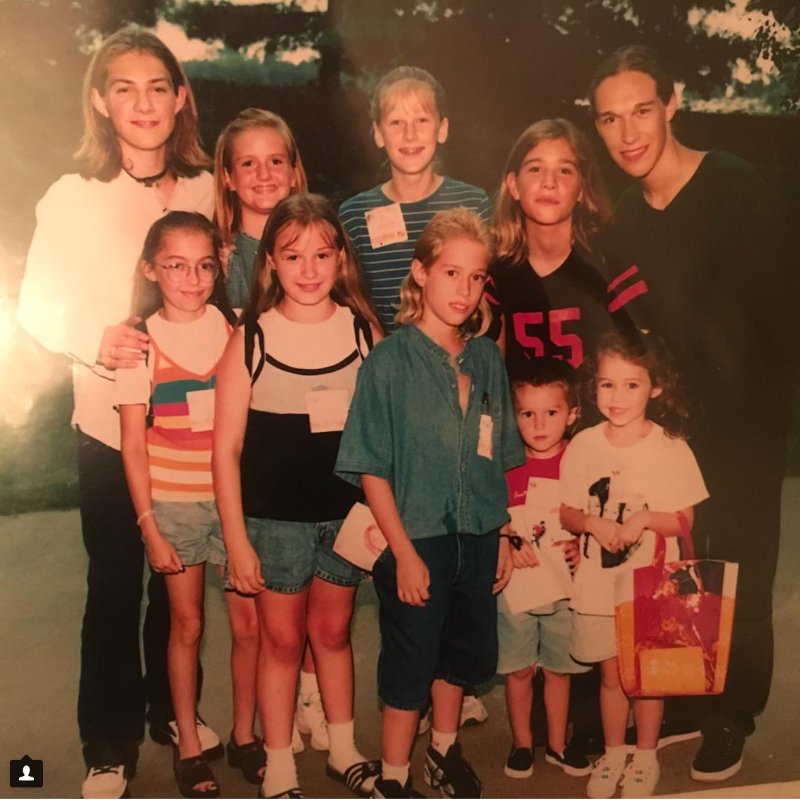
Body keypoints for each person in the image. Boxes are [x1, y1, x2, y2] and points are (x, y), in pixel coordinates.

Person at [16, 26, 219, 799]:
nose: (144, 103)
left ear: (180, 99)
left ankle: (175, 712)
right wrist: (91, 338)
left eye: (158, 87)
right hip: (109, 426)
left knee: (183, 587)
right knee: (116, 583)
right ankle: (107, 744)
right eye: (125, 88)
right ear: (100, 101)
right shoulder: (71, 196)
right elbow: (35, 305)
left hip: (191, 431)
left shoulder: (205, 188)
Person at [588, 44, 796, 781]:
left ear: (673, 104)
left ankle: (732, 713)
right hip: (673, 429)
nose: (628, 133)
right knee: (680, 566)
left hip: (745, 423)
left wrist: (757, 420)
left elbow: (781, 316)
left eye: (641, 110)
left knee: (744, 563)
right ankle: (688, 691)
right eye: (610, 119)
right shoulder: (624, 225)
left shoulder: (735, 186)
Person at [336, 208, 526, 799]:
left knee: (459, 658)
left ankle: (443, 752)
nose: (464, 291)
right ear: (420, 273)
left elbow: (499, 459)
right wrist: (404, 553)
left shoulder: (487, 359)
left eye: (475, 278)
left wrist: (502, 537)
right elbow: (370, 467)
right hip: (415, 539)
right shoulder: (389, 362)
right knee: (411, 666)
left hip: (477, 536)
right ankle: (394, 779)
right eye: (450, 273)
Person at [213, 193, 383, 799]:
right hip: (272, 521)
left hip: (347, 518)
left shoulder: (363, 332)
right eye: (293, 256)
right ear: (271, 265)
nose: (308, 269)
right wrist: (235, 539)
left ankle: (342, 748)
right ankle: (280, 759)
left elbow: (383, 434)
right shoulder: (250, 337)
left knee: (333, 635)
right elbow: (225, 449)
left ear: (341, 259)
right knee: (282, 641)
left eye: (321, 254)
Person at [116, 212, 257, 797]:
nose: (192, 279)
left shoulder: (236, 330)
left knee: (249, 622)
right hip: (173, 504)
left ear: (219, 266)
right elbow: (132, 444)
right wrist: (149, 525)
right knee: (188, 622)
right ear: (152, 268)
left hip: (235, 502)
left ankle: (247, 735)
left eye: (204, 266)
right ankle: (190, 746)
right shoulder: (137, 344)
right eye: (175, 266)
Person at [560, 332, 708, 798]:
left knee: (646, 676)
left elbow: (685, 519)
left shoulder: (669, 446)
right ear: (593, 387)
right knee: (610, 676)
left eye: (631, 385)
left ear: (656, 388)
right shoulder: (582, 444)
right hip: (598, 581)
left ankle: (645, 756)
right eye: (607, 385)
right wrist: (589, 522)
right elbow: (565, 511)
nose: (617, 397)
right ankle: (614, 751)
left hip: (649, 583)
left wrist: (644, 519)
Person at [339, 66, 491, 337]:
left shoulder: (474, 203)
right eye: (396, 122)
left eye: (421, 120)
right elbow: (351, 304)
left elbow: (489, 300)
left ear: (442, 129)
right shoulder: (354, 215)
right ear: (377, 133)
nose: (409, 135)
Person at [497, 358, 591, 781]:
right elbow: (490, 514)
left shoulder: (581, 461)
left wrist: (581, 543)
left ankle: (557, 743)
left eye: (550, 413)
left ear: (572, 414)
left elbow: (594, 515)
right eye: (526, 413)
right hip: (516, 586)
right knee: (518, 669)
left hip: (565, 586)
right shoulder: (506, 462)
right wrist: (507, 538)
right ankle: (521, 743)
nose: (538, 424)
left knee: (558, 668)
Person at [486, 118, 614, 375]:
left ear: (581, 189)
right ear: (513, 185)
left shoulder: (605, 265)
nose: (549, 182)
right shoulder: (493, 274)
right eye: (535, 169)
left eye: (565, 170)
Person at [214, 108, 308, 309]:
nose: (264, 174)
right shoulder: (218, 260)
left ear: (293, 173)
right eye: (248, 164)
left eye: (275, 161)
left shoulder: (319, 248)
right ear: (228, 178)